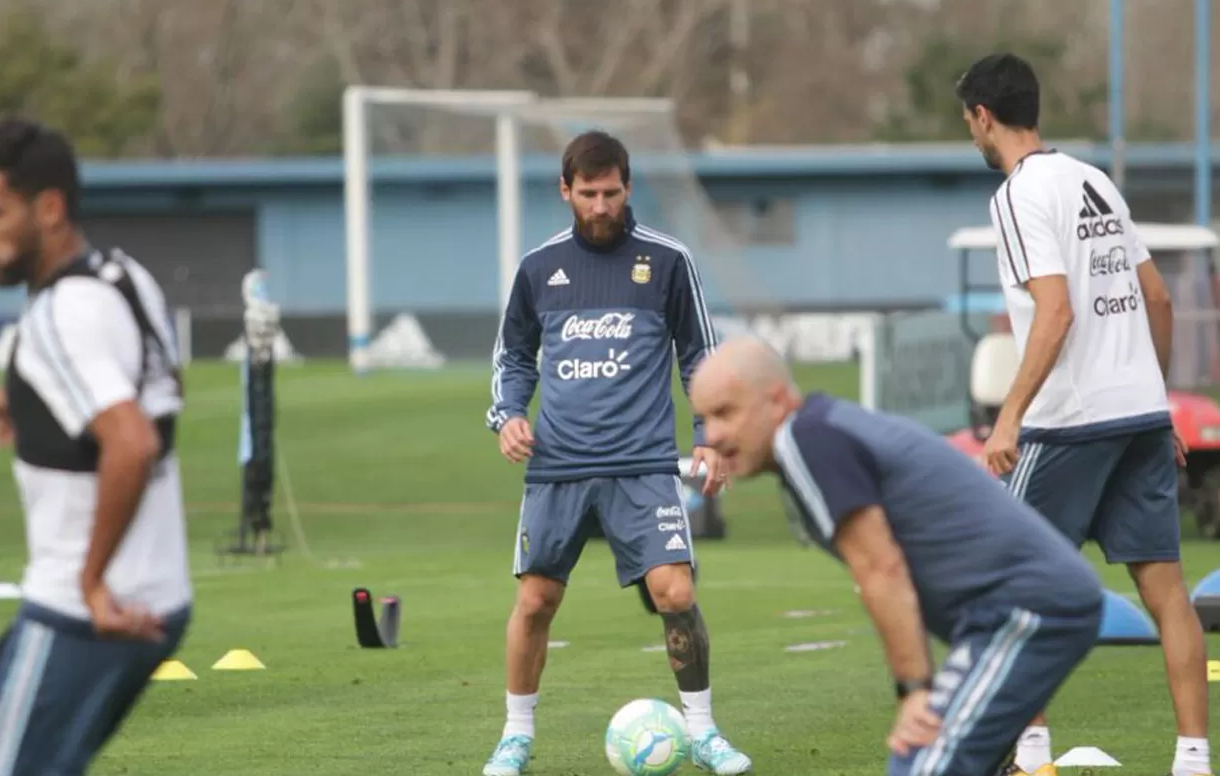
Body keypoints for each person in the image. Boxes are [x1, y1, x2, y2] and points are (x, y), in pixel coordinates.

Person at [955, 52, 1211, 776]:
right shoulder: (1094, 179)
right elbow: (1157, 298)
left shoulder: (1015, 196)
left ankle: (1032, 759)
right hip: (1137, 416)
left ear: (983, 117)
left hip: (1069, 422)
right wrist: (1155, 405)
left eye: (969, 123)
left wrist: (1008, 418)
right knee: (1167, 593)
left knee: (1013, 584)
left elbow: (1055, 311)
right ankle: (1193, 760)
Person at [688, 334, 1106, 776]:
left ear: (775, 400)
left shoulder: (805, 439)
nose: (712, 434)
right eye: (704, 418)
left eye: (725, 413)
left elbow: (881, 569)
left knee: (920, 762)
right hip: (1006, 613)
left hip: (1023, 609)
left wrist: (915, 691)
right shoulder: (821, 429)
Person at [481, 130, 752, 776]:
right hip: (559, 467)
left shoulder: (667, 261)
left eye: (611, 193)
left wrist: (711, 434)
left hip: (643, 465)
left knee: (676, 592)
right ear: (566, 191)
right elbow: (514, 354)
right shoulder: (538, 269)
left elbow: (701, 357)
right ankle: (515, 737)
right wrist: (509, 415)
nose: (600, 206)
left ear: (628, 188)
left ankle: (704, 731)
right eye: (588, 194)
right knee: (535, 602)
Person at [0, 117, 193, 775]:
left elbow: (132, 443)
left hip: (85, 612)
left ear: (48, 207)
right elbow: (159, 397)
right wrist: (27, 406)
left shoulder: (60, 313)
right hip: (159, 598)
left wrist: (89, 584)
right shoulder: (124, 277)